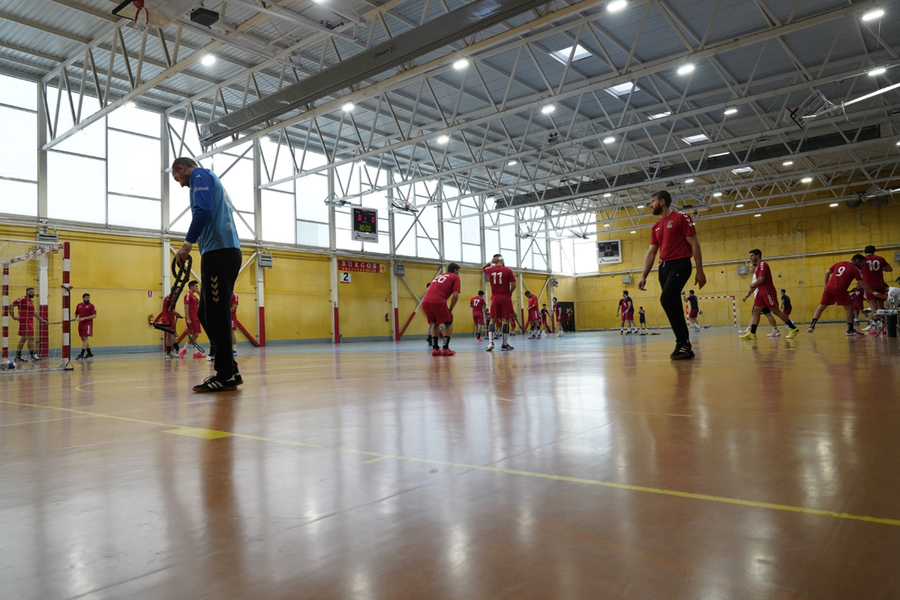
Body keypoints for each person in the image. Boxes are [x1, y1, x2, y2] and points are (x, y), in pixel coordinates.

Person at [172, 156, 243, 392]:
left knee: (216, 312)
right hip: (218, 252)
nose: (181, 184)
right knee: (206, 312)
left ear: (182, 169)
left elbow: (203, 210)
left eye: (177, 178)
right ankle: (229, 368)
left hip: (219, 252)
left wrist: (187, 243)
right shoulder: (207, 178)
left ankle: (225, 375)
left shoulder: (199, 175)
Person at [637, 190, 706, 360]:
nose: (650, 205)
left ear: (662, 202)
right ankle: (684, 345)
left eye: (652, 201)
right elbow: (651, 253)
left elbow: (694, 244)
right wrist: (643, 275)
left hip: (680, 264)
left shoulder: (681, 217)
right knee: (673, 304)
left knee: (666, 299)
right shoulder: (656, 226)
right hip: (664, 268)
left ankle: (683, 343)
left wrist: (700, 270)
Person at [807, 254, 886, 335]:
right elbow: (862, 284)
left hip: (829, 288)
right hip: (840, 289)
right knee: (849, 309)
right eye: (861, 262)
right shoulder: (855, 269)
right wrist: (874, 292)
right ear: (857, 260)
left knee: (821, 307)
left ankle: (812, 325)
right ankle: (850, 330)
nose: (861, 265)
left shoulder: (838, 264)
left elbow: (826, 273)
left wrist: (825, 285)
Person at [739, 249, 800, 340]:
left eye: (752, 255)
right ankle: (752, 333)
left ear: (758, 255)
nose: (750, 257)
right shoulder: (758, 267)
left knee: (775, 311)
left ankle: (793, 328)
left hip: (767, 292)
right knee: (756, 311)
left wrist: (753, 285)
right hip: (760, 293)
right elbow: (757, 282)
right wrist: (749, 293)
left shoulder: (763, 264)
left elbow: (762, 279)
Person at [422, 263, 461, 356]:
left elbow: (427, 291)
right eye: (459, 271)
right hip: (438, 301)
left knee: (435, 323)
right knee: (448, 322)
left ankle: (435, 349)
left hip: (425, 301)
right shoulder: (455, 277)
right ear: (455, 270)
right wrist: (450, 309)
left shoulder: (440, 276)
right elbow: (455, 295)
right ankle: (445, 348)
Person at [482, 254, 516, 351]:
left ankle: (490, 342)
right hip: (506, 298)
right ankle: (504, 344)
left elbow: (483, 268)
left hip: (495, 298)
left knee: (492, 320)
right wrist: (510, 292)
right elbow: (513, 285)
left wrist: (490, 262)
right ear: (502, 260)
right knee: (506, 320)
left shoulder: (490, 270)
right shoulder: (508, 271)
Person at [860, 245, 893, 335]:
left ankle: (876, 327)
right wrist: (879, 268)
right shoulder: (880, 258)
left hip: (869, 286)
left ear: (864, 251)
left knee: (873, 307)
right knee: (881, 307)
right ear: (874, 251)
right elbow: (889, 269)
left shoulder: (862, 260)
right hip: (880, 284)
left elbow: (857, 271)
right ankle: (884, 327)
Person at [11, 287, 46, 362]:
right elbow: (11, 305)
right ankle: (33, 355)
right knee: (31, 337)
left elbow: (34, 313)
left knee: (24, 338)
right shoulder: (22, 299)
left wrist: (42, 320)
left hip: (30, 321)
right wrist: (13, 316)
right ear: (27, 292)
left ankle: (18, 356)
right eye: (31, 292)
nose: (33, 293)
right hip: (25, 321)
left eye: (33, 292)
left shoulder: (31, 301)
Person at [180, 280, 205, 358]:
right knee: (196, 334)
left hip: (196, 317)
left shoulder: (194, 296)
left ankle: (196, 352)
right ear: (191, 286)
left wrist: (199, 293)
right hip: (192, 318)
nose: (197, 288)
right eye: (196, 286)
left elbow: (202, 302)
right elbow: (186, 307)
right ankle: (184, 349)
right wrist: (188, 318)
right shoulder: (188, 295)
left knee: (195, 335)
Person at [74, 293, 97, 360]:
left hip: (88, 324)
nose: (88, 299)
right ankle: (89, 353)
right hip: (80, 323)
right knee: (83, 339)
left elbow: (94, 316)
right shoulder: (79, 305)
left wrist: (83, 318)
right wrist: (74, 317)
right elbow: (76, 313)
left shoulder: (91, 306)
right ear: (83, 298)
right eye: (86, 298)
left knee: (85, 339)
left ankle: (81, 354)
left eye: (88, 298)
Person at [160, 292, 183, 358]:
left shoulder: (168, 297)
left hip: (166, 317)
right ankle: (178, 350)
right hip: (168, 318)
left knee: (169, 336)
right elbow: (170, 309)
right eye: (178, 290)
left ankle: (169, 352)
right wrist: (178, 314)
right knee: (172, 333)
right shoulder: (171, 298)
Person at [230, 292, 239, 358]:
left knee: (231, 332)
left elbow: (234, 307)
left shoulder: (234, 295)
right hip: (223, 316)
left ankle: (234, 350)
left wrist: (224, 312)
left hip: (231, 316)